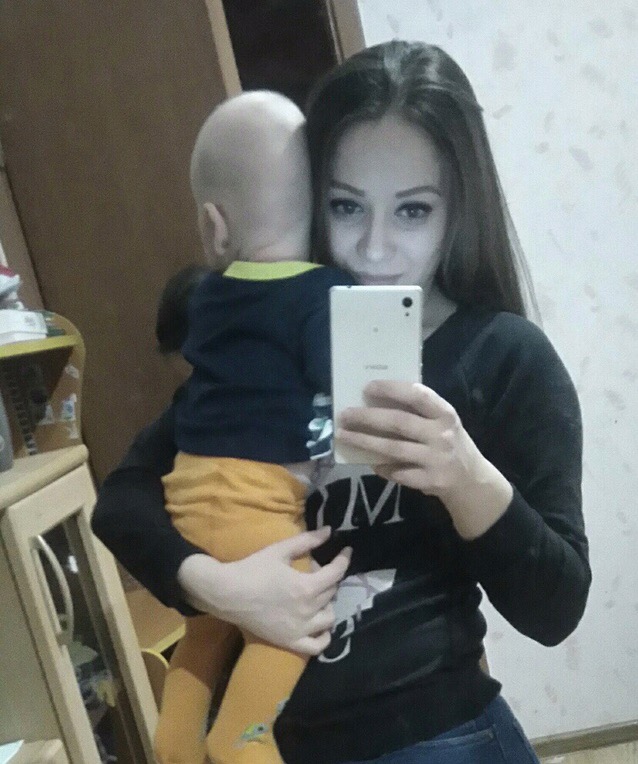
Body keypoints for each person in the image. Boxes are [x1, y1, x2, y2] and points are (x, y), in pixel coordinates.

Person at [92, 41, 591, 764]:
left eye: (413, 210)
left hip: (437, 733)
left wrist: (464, 477)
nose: (374, 249)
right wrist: (219, 588)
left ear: (458, 211)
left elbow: (556, 609)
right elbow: (122, 500)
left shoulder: (502, 356)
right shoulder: (267, 341)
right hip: (276, 744)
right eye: (346, 205)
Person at [152, 91, 355, 764]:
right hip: (258, 514)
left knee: (208, 630)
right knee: (292, 620)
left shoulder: (207, 294)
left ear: (214, 225)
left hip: (186, 499)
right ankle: (242, 739)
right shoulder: (327, 292)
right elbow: (343, 383)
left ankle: (175, 743)